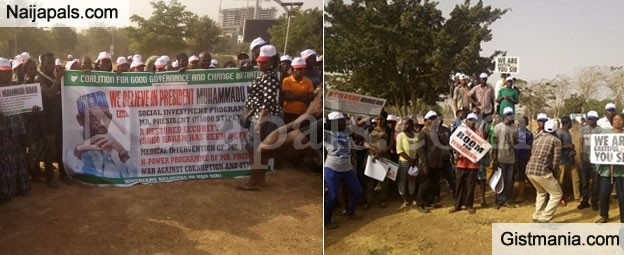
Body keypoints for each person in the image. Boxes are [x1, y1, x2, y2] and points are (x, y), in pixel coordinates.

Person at [238, 45, 282, 191]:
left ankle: (253, 181)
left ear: (272, 62)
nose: (260, 64)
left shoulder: (269, 77)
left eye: (264, 62)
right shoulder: (266, 75)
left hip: (263, 117)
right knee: (261, 150)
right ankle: (260, 180)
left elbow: (268, 102)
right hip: (262, 116)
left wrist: (259, 122)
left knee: (254, 149)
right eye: (259, 61)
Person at [67, 91, 136, 178]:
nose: (102, 124)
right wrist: (77, 152)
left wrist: (123, 155)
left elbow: (136, 175)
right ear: (80, 120)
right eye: (94, 118)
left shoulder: (119, 146)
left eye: (106, 117)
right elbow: (70, 176)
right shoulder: (71, 151)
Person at [36, 52, 71, 188]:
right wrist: (58, 78)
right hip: (47, 118)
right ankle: (50, 178)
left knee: (61, 146)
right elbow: (50, 94)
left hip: (59, 116)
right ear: (42, 64)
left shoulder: (55, 76)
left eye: (52, 62)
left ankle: (63, 173)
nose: (50, 65)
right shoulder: (39, 78)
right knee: (49, 149)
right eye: (48, 62)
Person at [324, 111, 363, 229]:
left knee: (358, 191)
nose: (344, 123)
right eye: (341, 121)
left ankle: (350, 213)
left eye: (344, 120)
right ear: (334, 123)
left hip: (347, 168)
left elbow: (358, 129)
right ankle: (327, 220)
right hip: (332, 169)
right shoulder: (326, 133)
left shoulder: (346, 131)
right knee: (333, 196)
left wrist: (359, 138)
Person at [0, 57, 31, 200]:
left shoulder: (16, 87)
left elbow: (25, 107)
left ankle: (21, 186)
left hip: (17, 129)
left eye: (8, 72)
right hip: (3, 131)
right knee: (4, 161)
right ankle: (6, 191)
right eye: (2, 72)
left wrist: (32, 110)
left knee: (19, 156)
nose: (6, 75)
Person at [525, 119, 562, 223]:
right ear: (555, 130)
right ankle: (545, 218)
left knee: (541, 192)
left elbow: (532, 153)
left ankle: (537, 215)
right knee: (557, 194)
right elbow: (555, 161)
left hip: (529, 170)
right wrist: (554, 172)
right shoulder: (556, 141)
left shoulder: (537, 138)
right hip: (542, 172)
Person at [449, 113, 483, 214]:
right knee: (459, 185)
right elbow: (455, 144)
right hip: (461, 163)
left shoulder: (479, 134)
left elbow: (480, 149)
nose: (471, 122)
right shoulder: (461, 131)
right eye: (469, 120)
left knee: (470, 186)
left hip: (473, 165)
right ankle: (457, 205)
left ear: (476, 122)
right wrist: (456, 153)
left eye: (473, 120)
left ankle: (469, 205)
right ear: (466, 121)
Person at [595, 113, 624, 223]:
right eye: (615, 119)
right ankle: (604, 216)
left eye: (620, 119)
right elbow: (598, 149)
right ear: (612, 121)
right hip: (607, 170)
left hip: (621, 171)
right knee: (604, 194)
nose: (618, 121)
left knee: (622, 196)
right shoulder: (604, 133)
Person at [415, 110, 445, 213]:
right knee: (424, 184)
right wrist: (424, 165)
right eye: (430, 119)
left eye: (434, 119)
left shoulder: (435, 132)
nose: (432, 121)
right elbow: (421, 150)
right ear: (425, 120)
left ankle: (429, 202)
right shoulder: (423, 134)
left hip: (436, 163)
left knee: (433, 184)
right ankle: (420, 204)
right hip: (427, 164)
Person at [493, 107, 518, 209]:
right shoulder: (498, 127)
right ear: (504, 116)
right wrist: (494, 158)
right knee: (500, 180)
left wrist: (516, 158)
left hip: (511, 158)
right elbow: (495, 143)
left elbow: (516, 143)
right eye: (507, 114)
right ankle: (498, 200)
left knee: (508, 180)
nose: (509, 116)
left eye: (511, 114)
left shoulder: (514, 128)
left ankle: (506, 199)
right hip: (501, 157)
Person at [578, 110, 603, 210]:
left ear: (596, 119)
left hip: (596, 160)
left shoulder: (601, 130)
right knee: (585, 182)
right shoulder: (583, 129)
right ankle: (584, 201)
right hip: (585, 159)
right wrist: (580, 155)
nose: (590, 120)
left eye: (592, 119)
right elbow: (581, 143)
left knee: (596, 182)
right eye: (589, 118)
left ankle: (594, 201)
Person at [365, 116, 391, 208]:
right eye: (378, 119)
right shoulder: (370, 129)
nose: (379, 121)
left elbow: (391, 143)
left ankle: (383, 200)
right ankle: (369, 201)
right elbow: (365, 142)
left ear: (385, 120)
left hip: (384, 157)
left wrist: (382, 152)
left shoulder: (388, 130)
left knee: (383, 180)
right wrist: (374, 150)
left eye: (381, 119)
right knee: (370, 181)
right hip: (372, 157)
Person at [281, 57, 315, 124]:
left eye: (302, 69)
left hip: (302, 113)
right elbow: (287, 97)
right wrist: (304, 97)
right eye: (298, 69)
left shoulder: (308, 82)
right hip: (288, 113)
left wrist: (293, 96)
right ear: (293, 69)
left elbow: (311, 97)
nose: (300, 71)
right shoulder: (287, 80)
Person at [556, 116, 580, 206]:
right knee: (560, 181)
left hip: (570, 160)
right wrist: (568, 147)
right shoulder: (559, 133)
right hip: (562, 161)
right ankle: (560, 198)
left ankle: (577, 196)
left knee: (576, 179)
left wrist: (572, 151)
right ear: (567, 123)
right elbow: (557, 147)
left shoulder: (568, 132)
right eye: (570, 123)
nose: (571, 125)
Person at [396, 118, 418, 209]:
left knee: (412, 180)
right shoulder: (400, 136)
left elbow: (418, 148)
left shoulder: (416, 135)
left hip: (414, 162)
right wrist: (410, 160)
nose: (404, 126)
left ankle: (412, 198)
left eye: (407, 124)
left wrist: (415, 159)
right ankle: (404, 200)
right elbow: (400, 151)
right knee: (402, 180)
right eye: (403, 124)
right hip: (404, 162)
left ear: (411, 125)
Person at [515, 116, 533, 204]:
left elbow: (529, 148)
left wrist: (528, 158)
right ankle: (511, 194)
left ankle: (521, 195)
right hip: (513, 158)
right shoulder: (514, 132)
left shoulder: (529, 134)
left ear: (527, 124)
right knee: (513, 177)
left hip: (523, 158)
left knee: (522, 176)